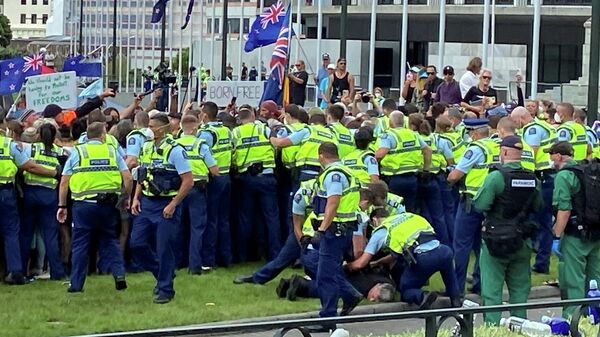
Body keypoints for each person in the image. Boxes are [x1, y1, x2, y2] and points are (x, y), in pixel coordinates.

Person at [474, 135, 542, 325]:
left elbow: (480, 204)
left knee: (492, 290)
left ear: (503, 152)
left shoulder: (496, 176)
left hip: (496, 239)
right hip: (522, 239)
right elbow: (538, 205)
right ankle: (520, 327)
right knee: (520, 290)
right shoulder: (532, 177)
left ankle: (493, 328)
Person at [56, 122, 131, 292]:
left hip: (83, 205)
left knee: (81, 245)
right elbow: (128, 178)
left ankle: (76, 285)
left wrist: (62, 205)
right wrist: (125, 197)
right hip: (108, 204)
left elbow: (64, 182)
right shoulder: (112, 151)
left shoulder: (78, 152)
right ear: (103, 135)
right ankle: (119, 275)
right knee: (110, 240)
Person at [130, 113, 193, 304]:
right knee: (136, 243)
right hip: (147, 203)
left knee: (164, 247)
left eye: (153, 126)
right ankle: (162, 273)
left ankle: (165, 290)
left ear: (163, 129)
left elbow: (188, 181)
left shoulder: (175, 150)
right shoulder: (146, 147)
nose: (150, 129)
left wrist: (173, 204)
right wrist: (136, 198)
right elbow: (143, 175)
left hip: (166, 204)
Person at [311, 142, 363, 328]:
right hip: (343, 229)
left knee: (325, 275)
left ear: (321, 156)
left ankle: (328, 319)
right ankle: (350, 296)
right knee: (330, 271)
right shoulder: (345, 171)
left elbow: (333, 202)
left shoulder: (333, 175)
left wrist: (322, 229)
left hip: (335, 230)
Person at [447, 119, 500, 296]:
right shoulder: (495, 147)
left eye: (470, 132)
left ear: (475, 133)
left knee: (461, 246)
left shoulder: (475, 149)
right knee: (482, 246)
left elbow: (455, 175)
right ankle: (480, 283)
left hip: (471, 202)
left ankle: (457, 288)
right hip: (490, 203)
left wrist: (450, 176)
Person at [548, 141, 600, 317]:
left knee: (574, 280)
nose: (550, 159)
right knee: (595, 278)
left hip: (575, 235)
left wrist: (556, 236)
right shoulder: (586, 171)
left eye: (551, 155)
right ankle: (594, 317)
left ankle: (574, 318)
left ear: (559, 156)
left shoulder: (564, 176)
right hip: (595, 231)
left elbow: (564, 209)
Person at [370, 209, 461, 309]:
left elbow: (394, 256)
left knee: (405, 289)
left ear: (375, 221)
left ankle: (422, 296)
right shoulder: (410, 217)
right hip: (443, 250)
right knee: (448, 273)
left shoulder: (390, 229)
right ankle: (455, 299)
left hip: (423, 259)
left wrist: (377, 262)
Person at [511, 106, 557, 274]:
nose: (516, 126)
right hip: (549, 176)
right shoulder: (543, 125)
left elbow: (529, 153)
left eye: (516, 122)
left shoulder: (532, 130)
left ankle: (535, 261)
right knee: (543, 221)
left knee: (536, 220)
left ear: (522, 118)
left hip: (541, 177)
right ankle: (541, 262)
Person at [232, 107, 281, 262]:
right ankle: (274, 255)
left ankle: (242, 256)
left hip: (246, 179)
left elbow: (232, 154)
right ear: (253, 116)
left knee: (245, 218)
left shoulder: (236, 133)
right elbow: (276, 146)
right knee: (271, 218)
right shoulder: (263, 128)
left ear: (239, 119)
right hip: (266, 176)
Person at [20, 123, 67, 281]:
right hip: (49, 195)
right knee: (51, 236)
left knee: (26, 234)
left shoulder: (30, 149)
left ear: (39, 134)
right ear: (54, 137)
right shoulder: (60, 152)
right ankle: (57, 272)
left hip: (30, 193)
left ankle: (21, 271)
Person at [176, 115, 219, 273]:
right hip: (197, 188)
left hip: (179, 189)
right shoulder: (200, 144)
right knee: (197, 228)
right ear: (194, 128)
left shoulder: (175, 144)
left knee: (179, 226)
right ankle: (194, 265)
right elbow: (214, 169)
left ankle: (177, 262)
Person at [198, 101, 234, 268]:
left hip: (214, 178)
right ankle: (226, 258)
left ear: (204, 115)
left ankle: (208, 260)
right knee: (224, 220)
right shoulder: (225, 130)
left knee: (211, 220)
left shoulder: (206, 133)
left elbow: (200, 154)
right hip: (226, 176)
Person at [376, 111, 432, 213]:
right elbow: (427, 150)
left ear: (390, 122)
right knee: (410, 210)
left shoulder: (389, 135)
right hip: (412, 179)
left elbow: (380, 155)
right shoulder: (413, 134)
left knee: (393, 210)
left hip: (394, 179)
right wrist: (426, 170)